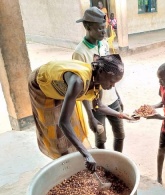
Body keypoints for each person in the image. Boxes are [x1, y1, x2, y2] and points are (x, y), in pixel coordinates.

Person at [28, 55, 133, 173]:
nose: (113, 86)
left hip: (62, 86)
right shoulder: (78, 82)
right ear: (101, 72)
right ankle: (63, 161)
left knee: (74, 125)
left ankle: (74, 154)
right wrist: (86, 154)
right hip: (42, 84)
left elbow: (99, 105)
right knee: (54, 129)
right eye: (112, 81)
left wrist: (121, 115)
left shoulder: (98, 79)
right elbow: (63, 122)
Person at [73, 7, 126, 152]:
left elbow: (111, 74)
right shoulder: (80, 53)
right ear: (87, 27)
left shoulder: (103, 44)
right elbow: (81, 90)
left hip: (112, 99)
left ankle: (117, 161)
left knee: (120, 135)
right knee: (101, 139)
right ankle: (103, 165)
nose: (104, 32)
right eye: (99, 29)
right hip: (95, 104)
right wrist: (90, 116)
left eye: (105, 28)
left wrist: (118, 97)